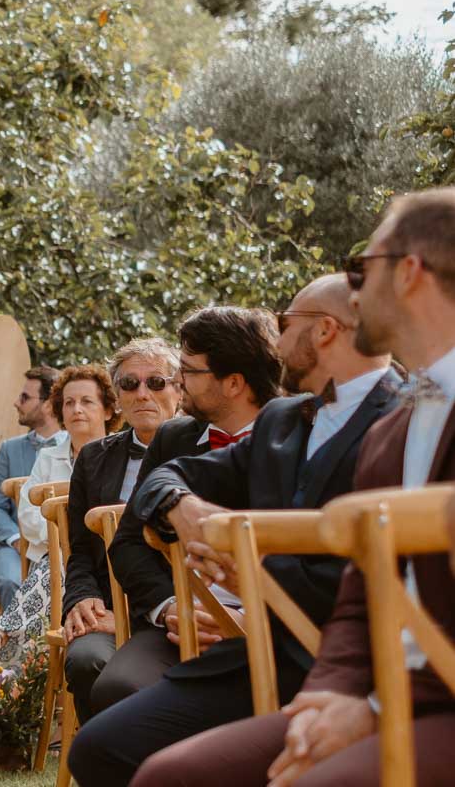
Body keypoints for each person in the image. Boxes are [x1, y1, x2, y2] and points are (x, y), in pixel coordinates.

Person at [132, 187, 455, 786]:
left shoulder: (386, 422)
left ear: (409, 273)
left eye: (365, 269)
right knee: (165, 775)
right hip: (354, 682)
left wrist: (373, 709)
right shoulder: (401, 429)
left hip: (433, 700)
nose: (355, 288)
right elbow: (363, 598)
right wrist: (327, 698)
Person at [70, 274, 400, 784]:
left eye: (286, 323)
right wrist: (182, 506)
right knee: (97, 747)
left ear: (327, 331)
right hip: (247, 648)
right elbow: (163, 479)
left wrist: (245, 578)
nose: (276, 336)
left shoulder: (403, 416)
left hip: (339, 653)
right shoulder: (285, 421)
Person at [101, 304, 282, 713]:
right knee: (116, 689)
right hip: (178, 625)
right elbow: (127, 544)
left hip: (271, 626)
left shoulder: (298, 436)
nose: (178, 381)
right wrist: (171, 609)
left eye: (189, 371)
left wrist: (251, 616)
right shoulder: (173, 438)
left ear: (234, 383)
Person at [62, 338, 183, 721]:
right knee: (85, 659)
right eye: (129, 384)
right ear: (117, 396)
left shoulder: (205, 450)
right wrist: (81, 598)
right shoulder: (93, 459)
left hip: (179, 608)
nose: (142, 393)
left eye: (157, 382)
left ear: (180, 389)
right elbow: (80, 550)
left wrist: (136, 616)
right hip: (106, 608)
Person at [0, 364, 117, 669]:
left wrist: (70, 538)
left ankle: (3, 647)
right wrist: (66, 539)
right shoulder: (48, 457)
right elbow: (28, 515)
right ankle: (10, 683)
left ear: (107, 410)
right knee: (62, 559)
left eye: (87, 401)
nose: (77, 410)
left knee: (66, 559)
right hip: (52, 560)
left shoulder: (120, 456)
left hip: (103, 565)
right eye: (69, 402)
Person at [0, 366, 63, 610]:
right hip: (14, 545)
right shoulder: (10, 449)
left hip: (60, 546)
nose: (16, 403)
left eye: (25, 397)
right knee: (9, 581)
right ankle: (22, 648)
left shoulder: (75, 448)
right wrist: (16, 539)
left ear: (49, 404)